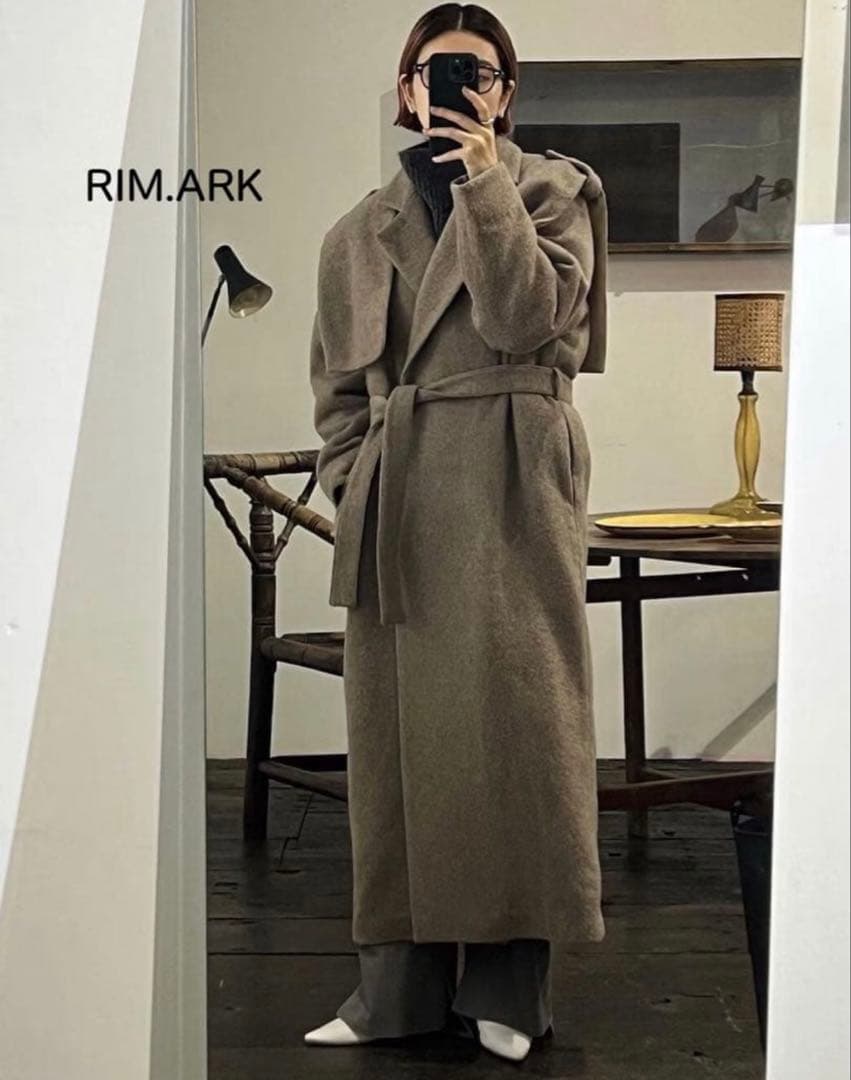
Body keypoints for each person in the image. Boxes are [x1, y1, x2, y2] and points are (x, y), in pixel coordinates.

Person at [305, 1, 609, 1063]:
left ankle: (509, 991)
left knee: (520, 732)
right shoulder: (356, 232)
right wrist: (354, 481)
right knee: (396, 749)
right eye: (437, 69)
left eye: (477, 71)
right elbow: (337, 396)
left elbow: (527, 321)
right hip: (400, 505)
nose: (457, 85)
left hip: (512, 491)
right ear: (405, 89)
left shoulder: (553, 192)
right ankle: (394, 992)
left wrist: (483, 183)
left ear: (505, 94)